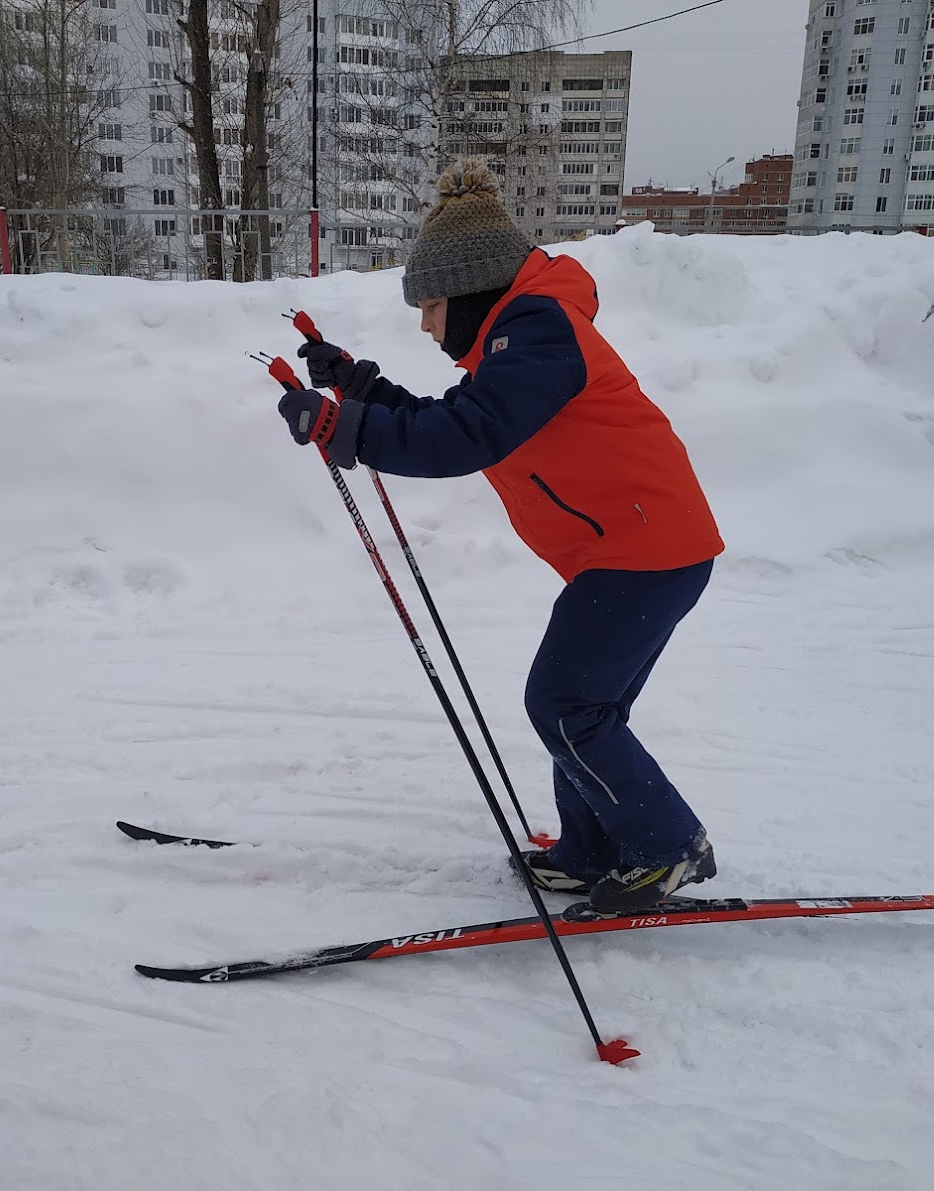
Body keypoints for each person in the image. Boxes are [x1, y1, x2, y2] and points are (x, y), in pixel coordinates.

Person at [276, 160, 724, 917]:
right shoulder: (520, 338)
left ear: (472, 288)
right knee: (582, 707)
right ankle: (592, 853)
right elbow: (447, 417)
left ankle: (667, 845)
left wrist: (342, 428)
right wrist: (355, 387)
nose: (424, 322)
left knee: (564, 704)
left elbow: (465, 436)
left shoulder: (539, 333)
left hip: (644, 553)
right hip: (640, 550)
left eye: (431, 304)